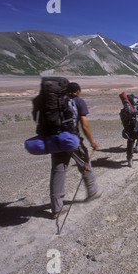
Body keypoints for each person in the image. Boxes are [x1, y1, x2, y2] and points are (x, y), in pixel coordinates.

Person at [50, 82, 103, 218]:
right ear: (78, 91)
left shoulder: (56, 102)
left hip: (55, 140)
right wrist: (92, 142)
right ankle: (92, 191)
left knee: (58, 171)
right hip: (71, 139)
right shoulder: (78, 101)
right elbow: (84, 125)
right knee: (85, 163)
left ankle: (56, 208)